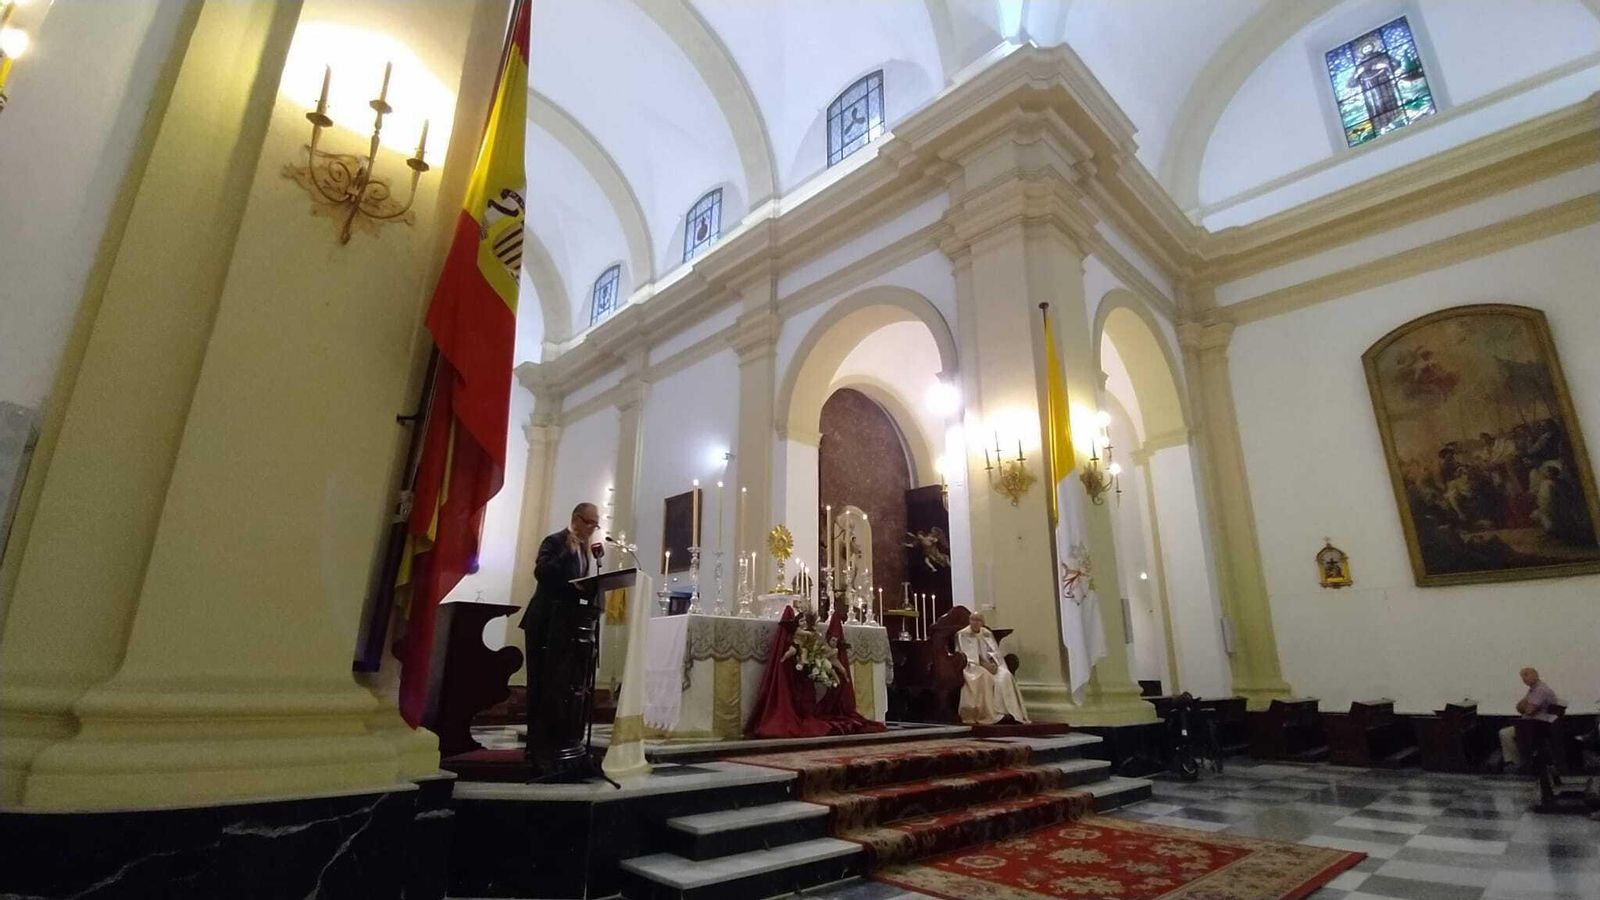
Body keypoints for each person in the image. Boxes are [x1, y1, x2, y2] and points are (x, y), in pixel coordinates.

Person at [519, 502, 603, 762]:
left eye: (595, 524)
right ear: (576, 519)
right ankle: (536, 744)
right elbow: (542, 573)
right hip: (544, 622)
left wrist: (594, 587)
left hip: (568, 625)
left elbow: (575, 588)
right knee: (541, 681)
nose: (593, 529)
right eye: (590, 523)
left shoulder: (587, 553)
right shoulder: (554, 541)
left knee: (563, 685)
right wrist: (566, 552)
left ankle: (560, 739)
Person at [957, 612, 1029, 725]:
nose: (975, 623)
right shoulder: (963, 634)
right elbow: (968, 655)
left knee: (1005, 675)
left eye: (978, 620)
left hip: (989, 665)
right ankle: (991, 714)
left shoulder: (986, 633)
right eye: (972, 620)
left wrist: (993, 663)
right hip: (972, 666)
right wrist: (985, 665)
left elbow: (994, 652)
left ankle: (1009, 712)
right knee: (985, 677)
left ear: (982, 623)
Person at [1499, 666, 1561, 772]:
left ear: (1535, 675)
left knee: (1505, 734)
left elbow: (1529, 711)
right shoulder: (1533, 689)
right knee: (1506, 732)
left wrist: (1525, 705)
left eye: (1526, 675)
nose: (1524, 678)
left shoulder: (1540, 689)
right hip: (1531, 724)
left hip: (1537, 726)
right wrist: (1525, 706)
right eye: (1522, 676)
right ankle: (1518, 762)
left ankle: (1518, 763)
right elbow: (1519, 707)